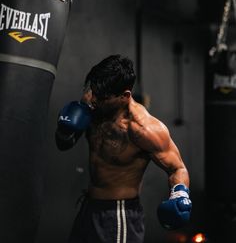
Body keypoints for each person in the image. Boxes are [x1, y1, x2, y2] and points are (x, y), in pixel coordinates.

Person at [55, 54, 192, 243]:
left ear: (125, 96)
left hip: (118, 215)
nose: (93, 99)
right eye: (92, 91)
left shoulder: (144, 129)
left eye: (102, 97)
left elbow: (178, 168)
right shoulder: (93, 104)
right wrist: (64, 130)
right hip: (89, 208)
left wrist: (179, 194)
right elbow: (63, 144)